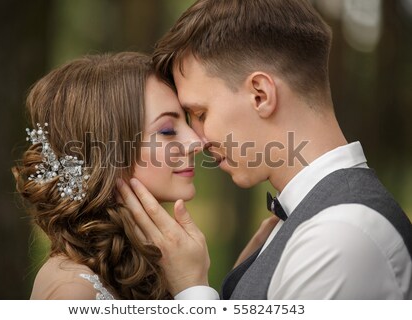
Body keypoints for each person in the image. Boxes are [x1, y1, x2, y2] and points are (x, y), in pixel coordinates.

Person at [118, 0, 412, 299]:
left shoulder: (341, 237)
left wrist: (191, 289)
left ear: (260, 95)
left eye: (202, 114)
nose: (198, 139)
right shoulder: (310, 226)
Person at [12, 52, 203, 299]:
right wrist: (194, 289)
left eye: (187, 122)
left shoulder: (151, 263)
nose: (195, 142)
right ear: (106, 153)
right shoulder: (73, 290)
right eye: (167, 130)